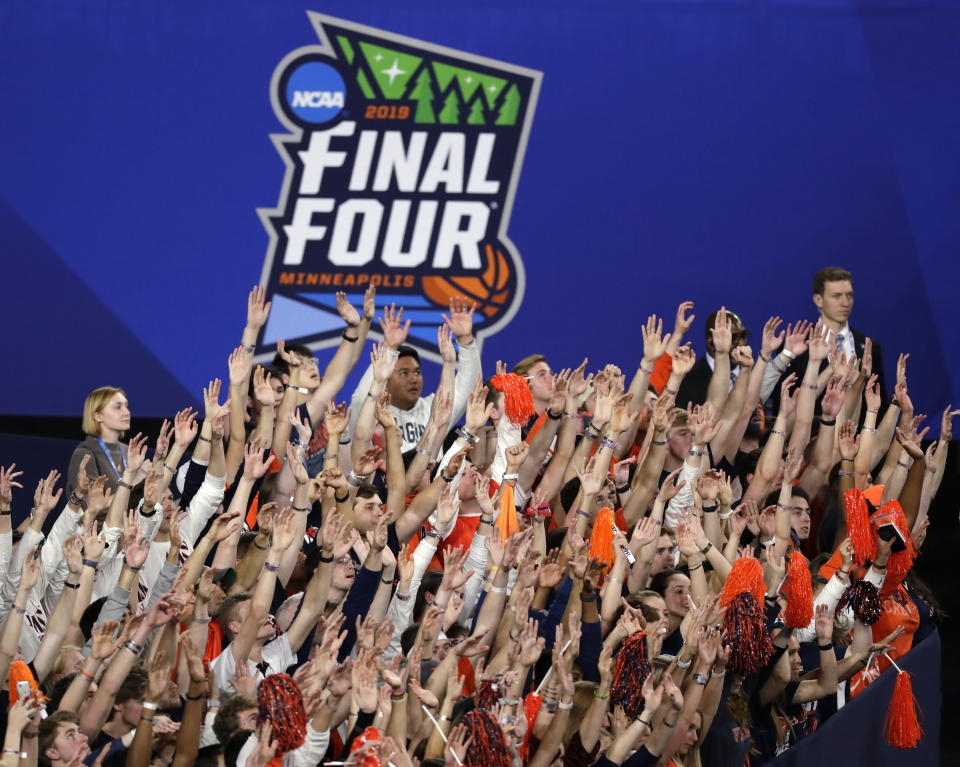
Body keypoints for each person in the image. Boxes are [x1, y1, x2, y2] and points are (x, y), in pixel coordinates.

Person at [65, 386, 133, 497]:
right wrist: (132, 484)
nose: (127, 412)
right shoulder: (85, 454)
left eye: (126, 406)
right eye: (118, 407)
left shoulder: (129, 451)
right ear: (98, 416)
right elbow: (90, 507)